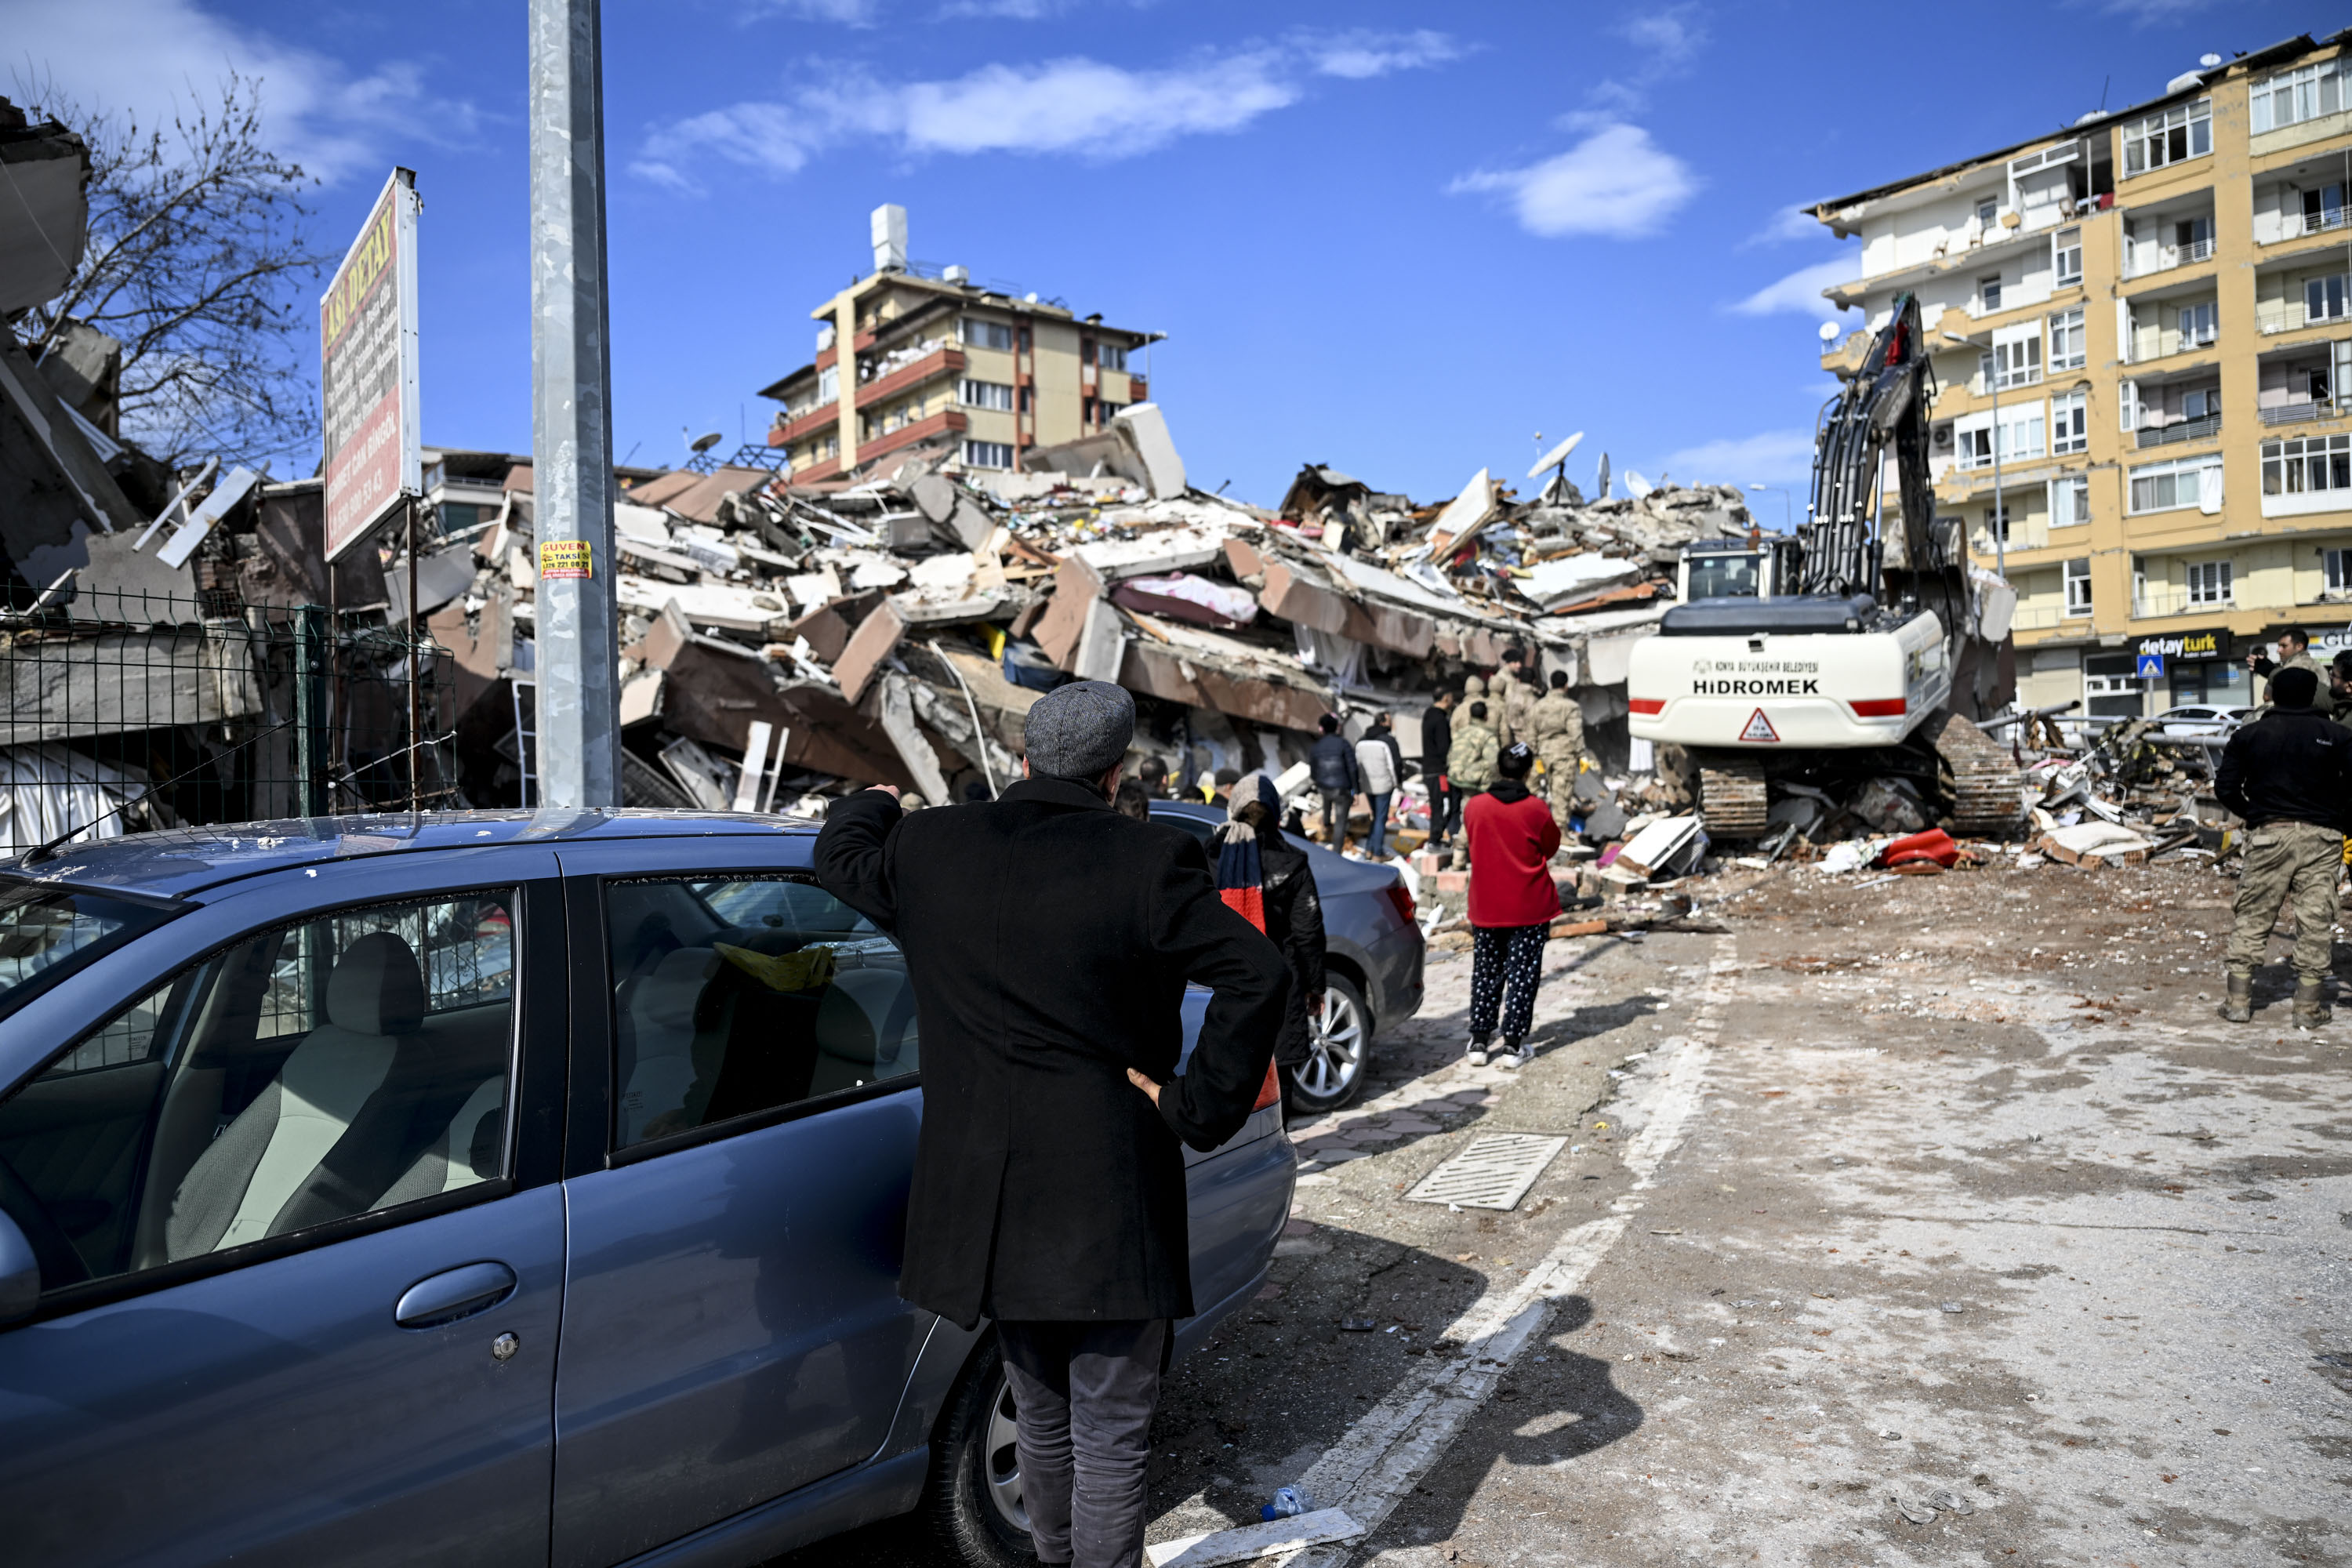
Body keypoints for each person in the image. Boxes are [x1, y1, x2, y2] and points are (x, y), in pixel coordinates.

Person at [814, 681, 1288, 1568]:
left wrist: (870, 803)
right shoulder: (1149, 861)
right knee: (1109, 1425)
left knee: (1039, 1407)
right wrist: (1195, 1104)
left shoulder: (930, 846)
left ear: (1022, 760)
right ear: (1115, 775)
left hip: (989, 1202)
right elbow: (1257, 973)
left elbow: (840, 855)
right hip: (1107, 1191)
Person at [2215, 664, 2352, 1028]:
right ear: (2312, 695)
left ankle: (2238, 1002)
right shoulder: (2337, 735)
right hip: (2322, 838)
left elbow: (2225, 788)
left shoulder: (2250, 735)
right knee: (2316, 919)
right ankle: (2307, 1010)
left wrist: (2255, 814)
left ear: (2273, 694)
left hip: (2268, 834)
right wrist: (2337, 818)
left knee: (2253, 916)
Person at [1210, 772, 1327, 1089]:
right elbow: (1308, 931)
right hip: (1281, 983)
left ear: (1233, 809)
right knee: (1279, 1082)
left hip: (1226, 986)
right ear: (1276, 813)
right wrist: (1316, 986)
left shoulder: (1212, 855)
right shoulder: (1293, 861)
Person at [1462, 742, 1561, 1068]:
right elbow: (1550, 847)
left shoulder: (1474, 806)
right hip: (1529, 906)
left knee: (1486, 971)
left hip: (1486, 904)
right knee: (1523, 975)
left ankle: (1478, 1042)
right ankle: (1512, 1046)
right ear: (1528, 771)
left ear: (1498, 767)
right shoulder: (1537, 809)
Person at [1529, 670, 1585, 829]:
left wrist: (1534, 755)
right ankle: (1560, 833)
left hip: (1542, 755)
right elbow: (1576, 733)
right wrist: (1582, 754)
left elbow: (1531, 733)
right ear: (1566, 686)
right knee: (1561, 794)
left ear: (1551, 684)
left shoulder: (1537, 706)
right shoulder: (1571, 707)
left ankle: (1534, 826)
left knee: (1535, 793)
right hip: (1564, 755)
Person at [1308, 713, 1360, 848]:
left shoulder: (1316, 747)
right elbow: (1353, 768)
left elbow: (1313, 772)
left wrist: (1318, 781)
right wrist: (1356, 790)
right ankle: (1336, 852)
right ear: (1336, 727)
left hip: (1324, 787)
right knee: (1341, 821)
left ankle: (1326, 826)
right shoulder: (1343, 744)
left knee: (1327, 801)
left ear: (1322, 728)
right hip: (1341, 789)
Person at [1353, 717, 1400, 859]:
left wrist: (1358, 786)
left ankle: (1369, 849)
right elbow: (1395, 765)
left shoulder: (1362, 741)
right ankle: (1378, 853)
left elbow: (1357, 764)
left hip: (1368, 785)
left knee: (1376, 816)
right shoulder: (1388, 741)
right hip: (1384, 785)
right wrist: (1396, 783)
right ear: (1383, 723)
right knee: (1380, 818)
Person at [1422, 688, 1459, 846]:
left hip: (1430, 770)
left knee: (1437, 806)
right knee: (1443, 806)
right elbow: (1444, 748)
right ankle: (1434, 840)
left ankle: (1436, 839)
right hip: (1439, 771)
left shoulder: (1428, 716)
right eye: (1451, 696)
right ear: (1445, 698)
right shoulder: (1440, 720)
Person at [2248, 628, 2321, 706]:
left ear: (2299, 646)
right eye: (2279, 646)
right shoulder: (2311, 663)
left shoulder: (2301, 666)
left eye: (2284, 646)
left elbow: (2293, 696)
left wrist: (2272, 672)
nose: (2278, 650)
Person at [1451, 699, 1500, 796]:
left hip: (1457, 778)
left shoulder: (1460, 732)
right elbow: (1493, 761)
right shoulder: (1487, 735)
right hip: (1478, 782)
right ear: (1486, 716)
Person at [1494, 646, 1538, 748]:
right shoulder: (1502, 677)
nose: (1519, 665)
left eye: (1520, 662)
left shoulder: (1513, 676)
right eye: (1515, 662)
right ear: (1508, 662)